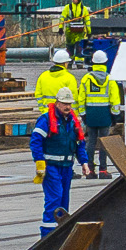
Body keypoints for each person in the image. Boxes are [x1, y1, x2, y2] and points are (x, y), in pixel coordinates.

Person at [30, 87, 85, 237]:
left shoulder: (73, 121)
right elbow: (35, 142)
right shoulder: (46, 120)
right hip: (51, 167)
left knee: (63, 201)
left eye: (69, 104)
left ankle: (61, 235)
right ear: (57, 103)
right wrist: (40, 163)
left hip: (67, 168)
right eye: (64, 103)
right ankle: (47, 236)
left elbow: (79, 143)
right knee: (54, 199)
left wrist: (84, 162)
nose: (67, 107)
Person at [79, 50, 122, 179]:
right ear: (105, 62)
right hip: (105, 114)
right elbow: (115, 100)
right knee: (104, 142)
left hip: (91, 114)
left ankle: (90, 170)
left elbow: (81, 99)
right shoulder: (110, 79)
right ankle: (103, 170)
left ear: (92, 62)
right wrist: (115, 116)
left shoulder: (86, 79)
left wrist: (83, 115)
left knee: (90, 142)